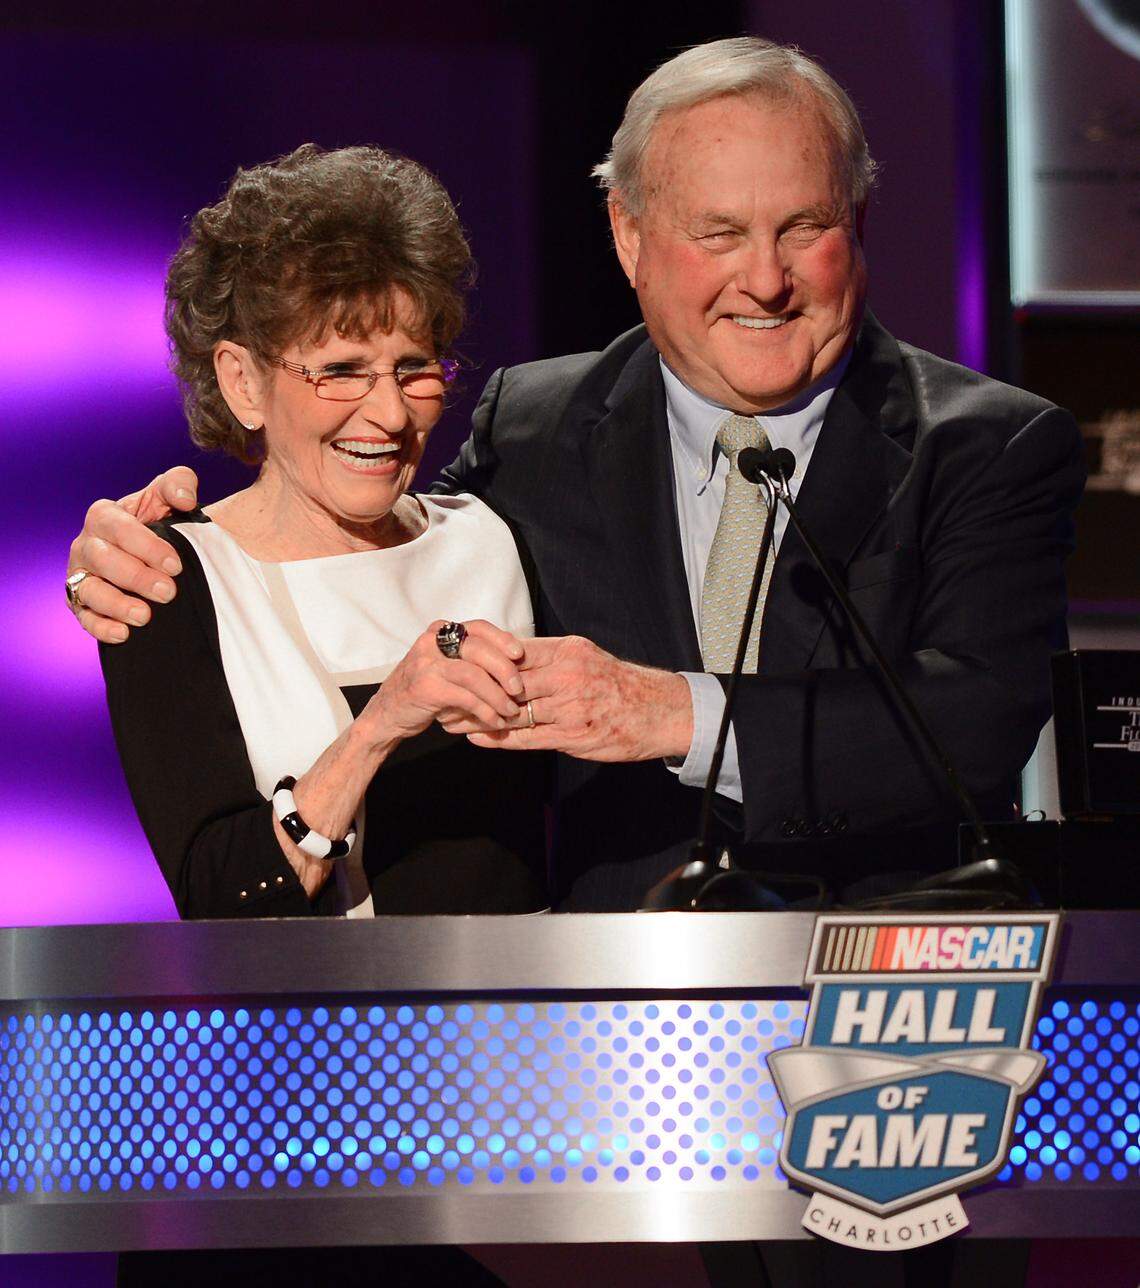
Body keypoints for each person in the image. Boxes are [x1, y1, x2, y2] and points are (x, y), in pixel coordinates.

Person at [69, 38, 1084, 916]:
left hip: (873, 1017)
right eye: (719, 232)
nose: (766, 279)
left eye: (803, 227)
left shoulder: (990, 446)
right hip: (594, 1044)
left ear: (857, 224)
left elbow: (976, 724)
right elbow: (362, 518)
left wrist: (672, 712)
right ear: (629, 238)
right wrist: (136, 543)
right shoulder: (538, 431)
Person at [96, 142, 548, 925]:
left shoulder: (490, 538)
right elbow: (221, 899)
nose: (391, 414)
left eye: (414, 366)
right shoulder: (168, 580)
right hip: (315, 1042)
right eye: (340, 370)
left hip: (520, 1037)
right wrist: (378, 728)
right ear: (243, 381)